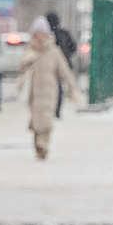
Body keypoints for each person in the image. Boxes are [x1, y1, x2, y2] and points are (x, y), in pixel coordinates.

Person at [21, 19, 72, 162]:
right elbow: (21, 67)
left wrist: (71, 87)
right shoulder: (30, 50)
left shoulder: (54, 51)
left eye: (41, 33)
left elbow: (64, 70)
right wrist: (29, 60)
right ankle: (38, 144)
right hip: (34, 92)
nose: (39, 37)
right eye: (36, 33)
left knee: (47, 120)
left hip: (50, 91)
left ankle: (43, 145)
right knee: (36, 120)